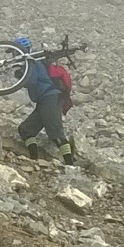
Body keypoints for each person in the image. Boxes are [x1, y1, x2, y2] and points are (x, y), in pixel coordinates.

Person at [13, 37, 75, 165]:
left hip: (51, 97)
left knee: (55, 131)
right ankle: (34, 159)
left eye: (15, 51)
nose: (14, 54)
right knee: (25, 129)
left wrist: (21, 78)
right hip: (43, 100)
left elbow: (32, 81)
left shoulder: (32, 62)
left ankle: (70, 165)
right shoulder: (29, 63)